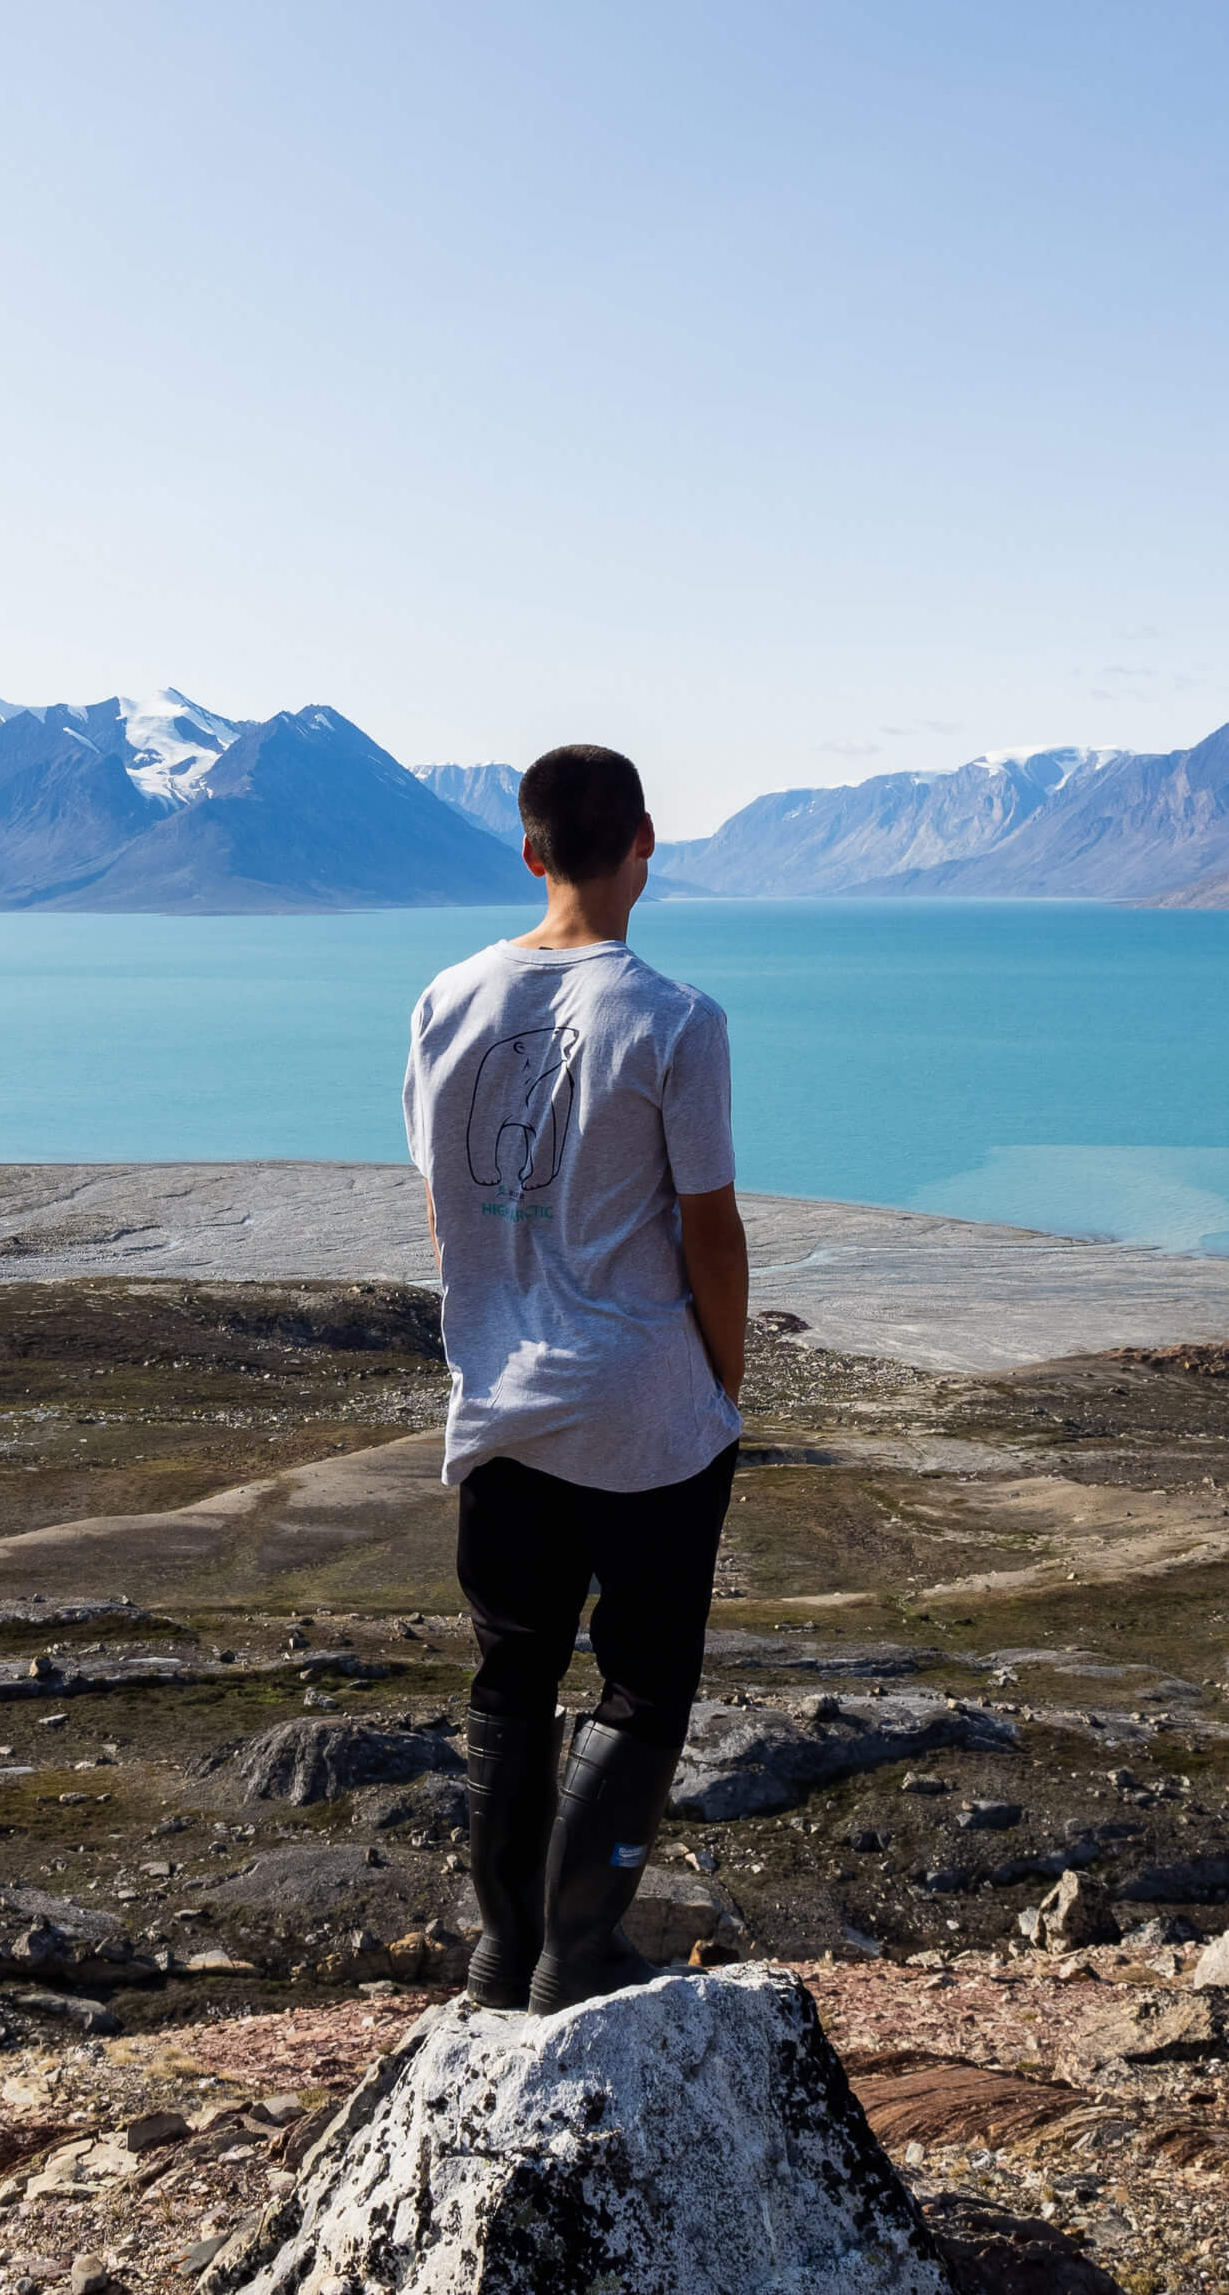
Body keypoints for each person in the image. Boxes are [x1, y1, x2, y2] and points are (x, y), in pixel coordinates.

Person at [402, 743, 748, 2014]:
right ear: (645, 842)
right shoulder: (674, 1019)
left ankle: (503, 1952)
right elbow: (710, 1229)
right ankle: (581, 1945)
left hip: (499, 1403)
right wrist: (723, 1379)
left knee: (512, 1678)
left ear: (533, 849)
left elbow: (448, 1210)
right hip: (644, 1409)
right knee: (645, 1682)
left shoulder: (445, 999)